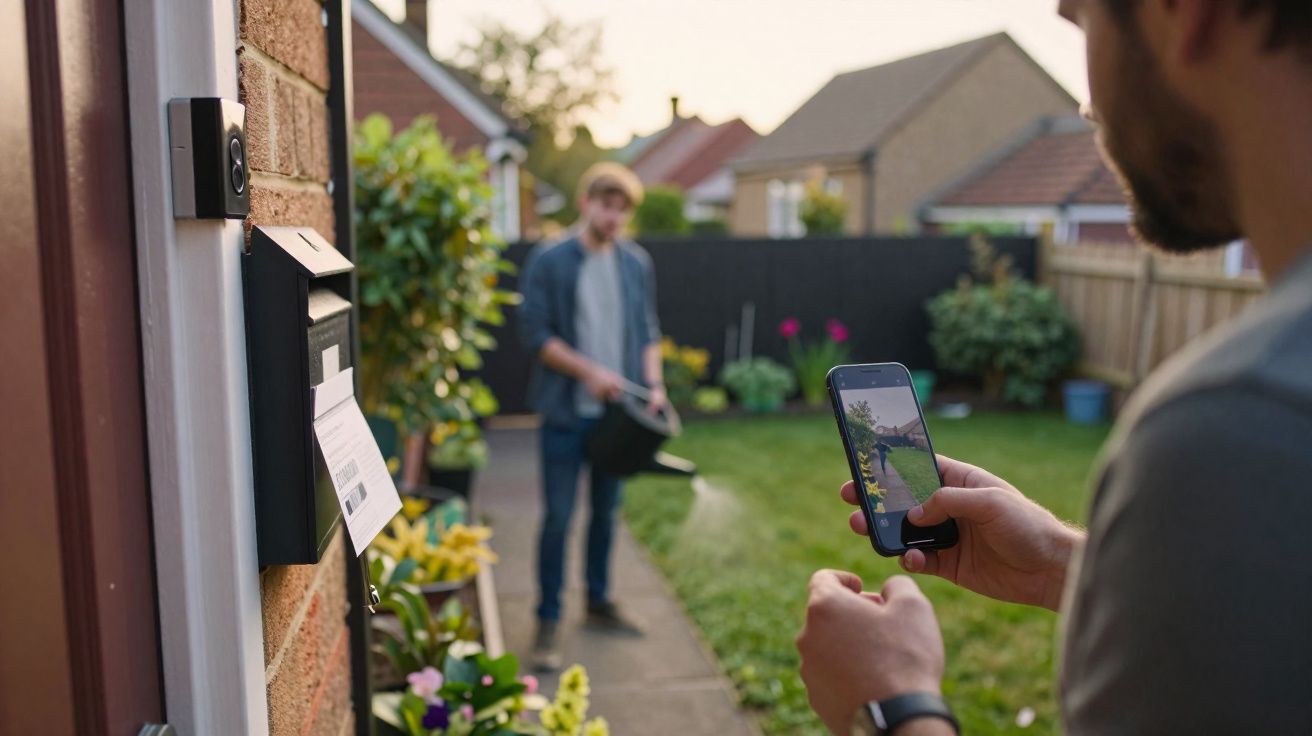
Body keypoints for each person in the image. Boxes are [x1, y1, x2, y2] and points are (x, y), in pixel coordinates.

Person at [796, 1, 1312, 733]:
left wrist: (893, 699)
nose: (1086, 100)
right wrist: (1062, 565)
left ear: (1183, 13)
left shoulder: (1241, 428)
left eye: (1082, 21)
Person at [518, 162, 667, 671]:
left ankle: (599, 604)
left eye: (622, 210)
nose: (614, 217)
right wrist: (588, 372)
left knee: (606, 514)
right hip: (565, 414)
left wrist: (655, 384)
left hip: (616, 421)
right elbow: (536, 336)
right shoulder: (550, 260)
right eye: (607, 205)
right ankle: (547, 620)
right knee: (559, 518)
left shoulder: (634, 263)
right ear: (586, 203)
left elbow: (647, 330)